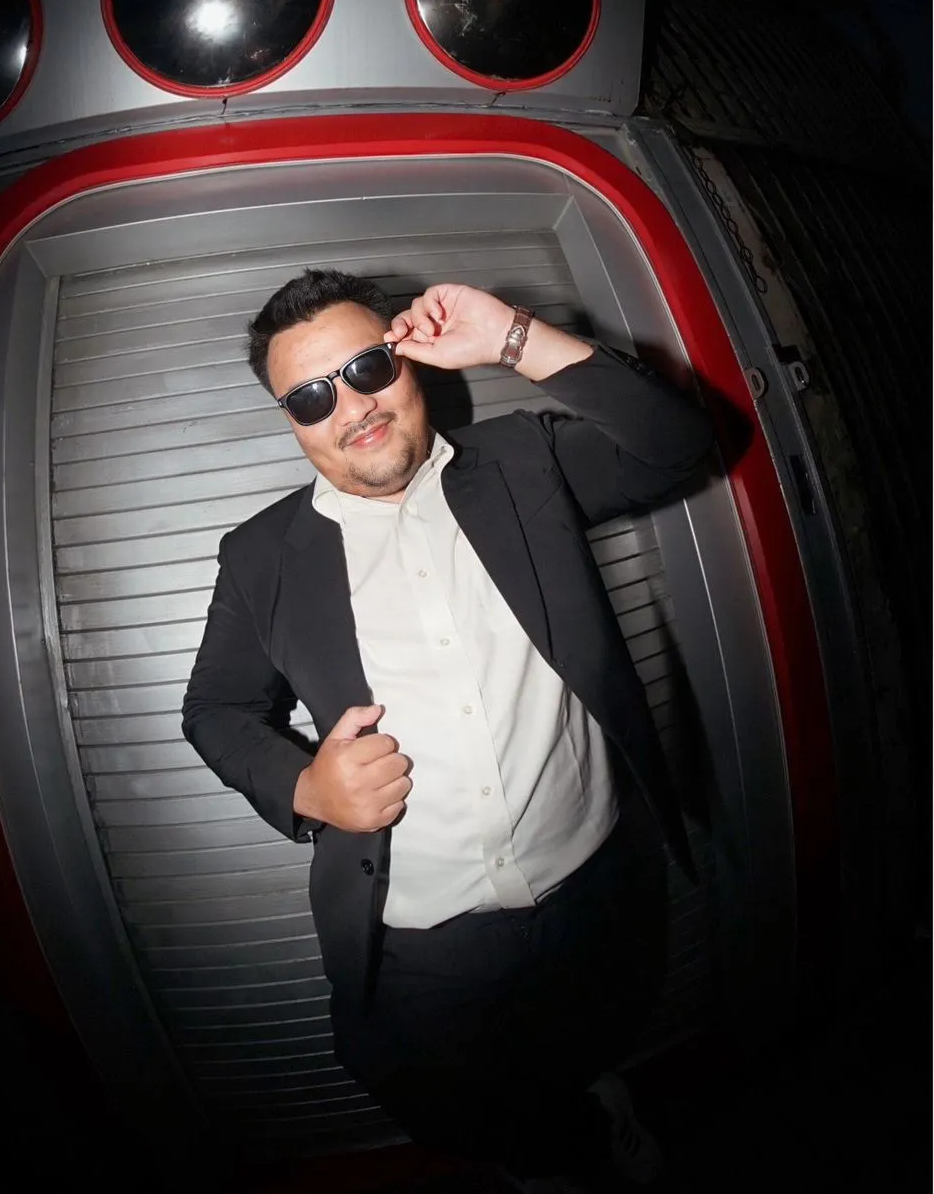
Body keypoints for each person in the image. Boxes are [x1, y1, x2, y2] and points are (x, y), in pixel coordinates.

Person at [182, 269, 714, 1191]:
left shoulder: (522, 460)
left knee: (594, 1036)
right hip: (421, 938)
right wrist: (308, 787)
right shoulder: (262, 557)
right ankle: (554, 1153)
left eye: (367, 368)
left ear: (408, 361)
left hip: (592, 880)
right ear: (291, 422)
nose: (352, 406)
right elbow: (215, 711)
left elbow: (679, 445)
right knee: (443, 1098)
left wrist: (513, 337)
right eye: (310, 397)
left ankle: (590, 1119)